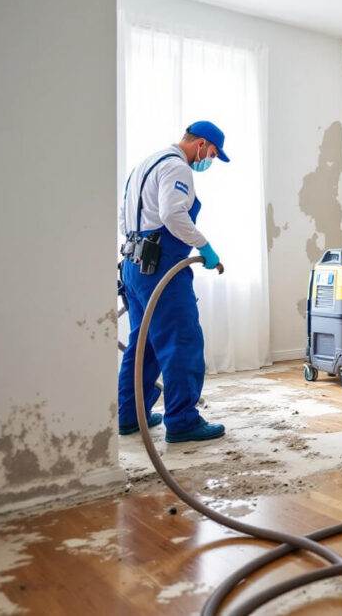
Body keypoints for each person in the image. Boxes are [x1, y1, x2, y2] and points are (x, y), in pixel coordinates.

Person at [117, 121, 230, 442]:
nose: (209, 160)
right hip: (161, 263)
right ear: (201, 144)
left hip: (134, 263)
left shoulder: (144, 165)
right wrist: (204, 245)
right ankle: (182, 421)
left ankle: (129, 415)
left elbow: (124, 217)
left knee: (144, 344)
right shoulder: (177, 168)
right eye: (212, 153)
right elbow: (172, 214)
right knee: (183, 340)